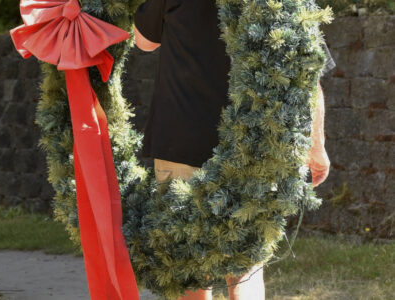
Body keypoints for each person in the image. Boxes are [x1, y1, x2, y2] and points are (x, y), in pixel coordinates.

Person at [133, 0, 336, 299]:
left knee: (190, 266)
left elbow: (144, 42)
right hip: (253, 144)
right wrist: (316, 146)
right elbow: (308, 70)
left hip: (181, 138)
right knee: (244, 268)